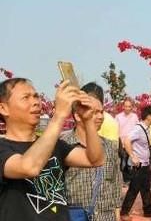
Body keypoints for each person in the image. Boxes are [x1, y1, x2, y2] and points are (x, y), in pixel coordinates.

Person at [0, 78, 105, 220]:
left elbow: (95, 159)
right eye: (26, 97)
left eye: (36, 96)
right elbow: (28, 167)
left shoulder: (54, 145)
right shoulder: (3, 147)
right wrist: (59, 115)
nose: (36, 102)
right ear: (3, 108)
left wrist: (88, 120)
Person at [62, 82, 121, 221]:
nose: (100, 117)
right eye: (94, 112)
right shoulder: (63, 146)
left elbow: (115, 181)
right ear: (77, 115)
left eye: (101, 112)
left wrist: (117, 213)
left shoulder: (110, 146)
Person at [119, 105, 151, 220]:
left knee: (146, 188)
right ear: (149, 117)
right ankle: (124, 212)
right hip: (138, 166)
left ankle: (148, 210)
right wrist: (133, 156)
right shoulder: (138, 129)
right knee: (134, 189)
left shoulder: (147, 128)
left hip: (145, 164)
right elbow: (127, 141)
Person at [115, 98, 139, 183]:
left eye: (129, 106)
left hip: (132, 144)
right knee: (122, 163)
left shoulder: (134, 117)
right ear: (123, 107)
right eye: (125, 106)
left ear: (132, 107)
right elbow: (116, 130)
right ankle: (124, 179)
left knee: (130, 163)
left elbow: (137, 129)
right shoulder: (118, 117)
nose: (127, 108)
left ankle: (129, 180)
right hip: (121, 144)